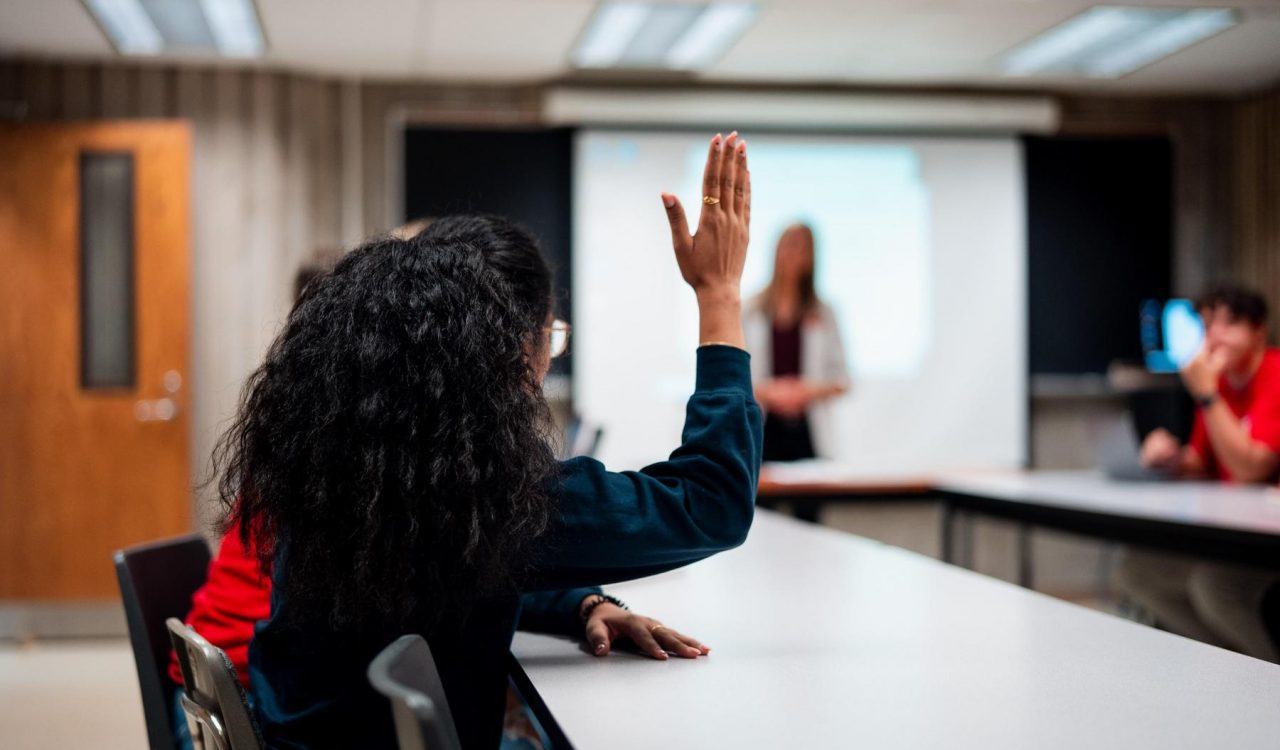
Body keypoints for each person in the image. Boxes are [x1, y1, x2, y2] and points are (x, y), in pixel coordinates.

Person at [215, 132, 759, 749]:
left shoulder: (336, 466)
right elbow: (710, 501)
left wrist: (580, 607)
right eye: (546, 342)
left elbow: (457, 583)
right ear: (506, 353)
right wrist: (720, 296)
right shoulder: (488, 492)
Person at [166, 522, 709, 750]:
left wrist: (583, 602)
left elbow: (467, 570)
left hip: (255, 693)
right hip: (263, 705)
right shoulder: (339, 468)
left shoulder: (309, 439)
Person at [1117, 284, 1280, 662]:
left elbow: (1250, 470)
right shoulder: (1220, 383)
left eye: (1229, 323)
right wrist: (1171, 457)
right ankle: (1223, 662)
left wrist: (1207, 396)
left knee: (1214, 585)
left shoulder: (1271, 375)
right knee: (1138, 572)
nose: (1215, 336)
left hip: (1267, 541)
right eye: (1207, 325)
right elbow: (1202, 461)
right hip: (1235, 532)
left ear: (1259, 331)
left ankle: (1266, 680)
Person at [745, 223, 850, 461]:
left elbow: (843, 380)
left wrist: (806, 391)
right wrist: (771, 391)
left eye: (803, 249)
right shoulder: (750, 311)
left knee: (809, 495)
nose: (795, 255)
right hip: (763, 429)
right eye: (790, 246)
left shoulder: (824, 313)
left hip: (809, 433)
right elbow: (731, 376)